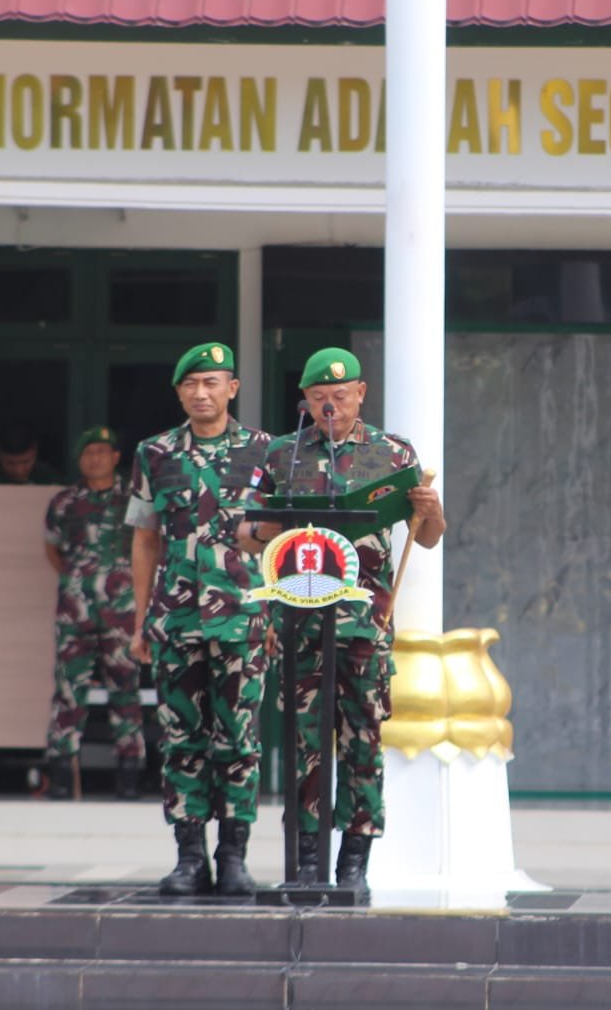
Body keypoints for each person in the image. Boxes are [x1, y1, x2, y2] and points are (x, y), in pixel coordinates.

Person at [241, 346, 445, 892]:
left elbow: (427, 538)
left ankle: (353, 863)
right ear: (304, 401)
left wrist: (432, 509)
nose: (330, 406)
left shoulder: (392, 452)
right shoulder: (283, 455)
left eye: (340, 396)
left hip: (364, 624)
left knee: (362, 742)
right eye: (319, 398)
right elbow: (246, 530)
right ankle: (306, 859)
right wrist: (275, 526)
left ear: (360, 393)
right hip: (300, 619)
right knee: (305, 744)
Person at [127, 342, 273, 897]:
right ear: (179, 392)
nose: (201, 393)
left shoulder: (265, 451)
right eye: (191, 384)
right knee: (181, 738)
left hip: (243, 616)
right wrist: (140, 620)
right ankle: (189, 857)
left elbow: (283, 537)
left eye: (212, 382)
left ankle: (233, 855)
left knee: (238, 739)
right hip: (176, 617)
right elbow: (144, 539)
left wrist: (277, 616)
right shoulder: (155, 453)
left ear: (232, 388)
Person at [42, 426, 144, 801]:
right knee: (69, 692)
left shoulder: (134, 498)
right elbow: (52, 549)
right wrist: (80, 581)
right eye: (89, 453)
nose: (95, 459)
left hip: (123, 614)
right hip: (75, 613)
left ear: (116, 457)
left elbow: (152, 546)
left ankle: (130, 776)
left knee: (126, 692)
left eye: (103, 451)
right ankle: (61, 776)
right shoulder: (65, 502)